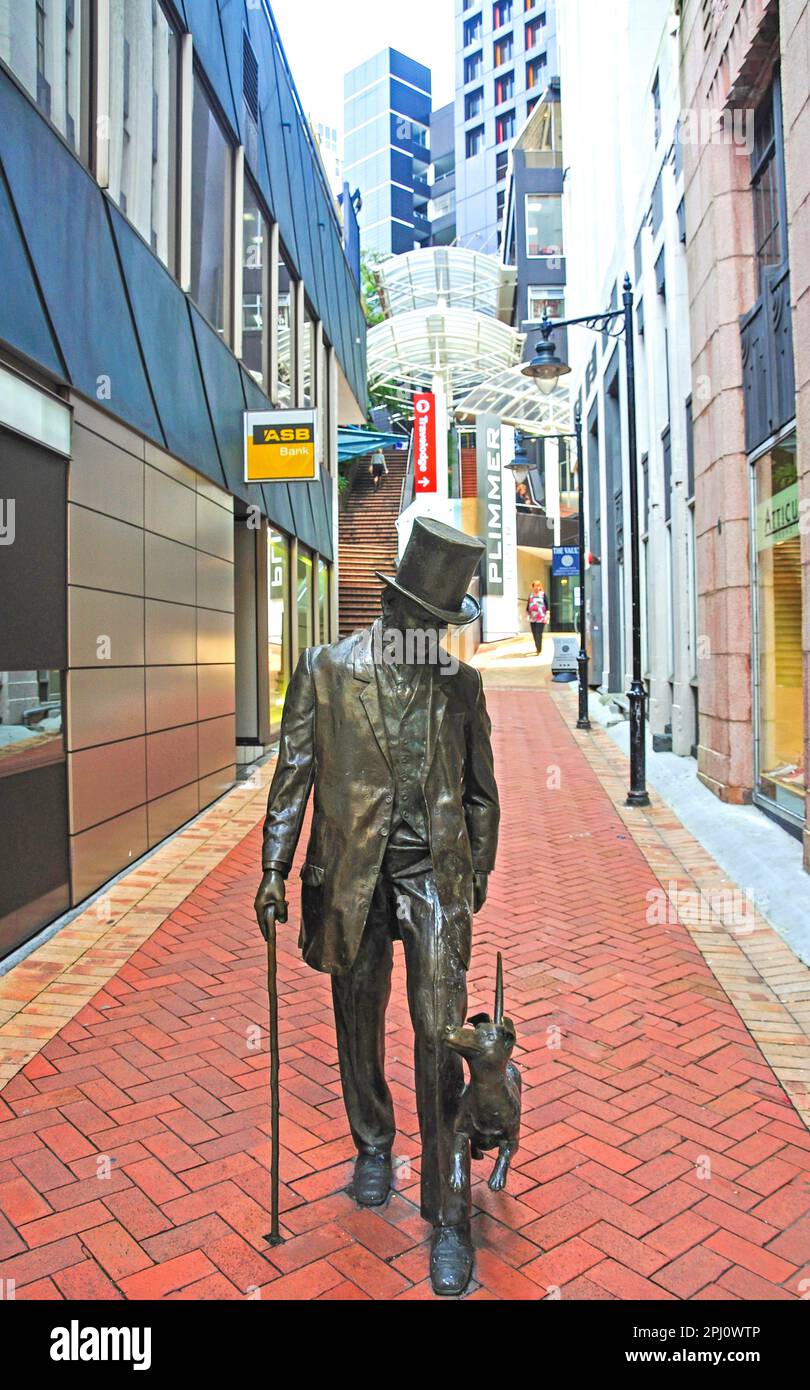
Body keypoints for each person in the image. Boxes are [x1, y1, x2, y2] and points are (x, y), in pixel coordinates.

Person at [254, 517, 500, 1298]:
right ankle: (371, 1143)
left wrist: (471, 880)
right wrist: (273, 869)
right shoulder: (326, 670)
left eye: (441, 626)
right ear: (395, 609)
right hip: (351, 878)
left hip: (433, 880)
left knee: (439, 1034)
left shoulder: (462, 688)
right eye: (424, 622)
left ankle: (448, 1210)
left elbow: (482, 796)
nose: (431, 637)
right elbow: (293, 775)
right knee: (357, 1021)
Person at [526, 580, 550, 654]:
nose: (537, 587)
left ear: (540, 587)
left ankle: (539, 649)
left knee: (538, 632)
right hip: (532, 617)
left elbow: (547, 605)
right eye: (535, 586)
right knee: (534, 633)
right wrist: (527, 614)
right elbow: (528, 605)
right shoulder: (530, 595)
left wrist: (548, 613)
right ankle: (537, 646)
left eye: (538, 586)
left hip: (541, 617)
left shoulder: (543, 595)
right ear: (532, 587)